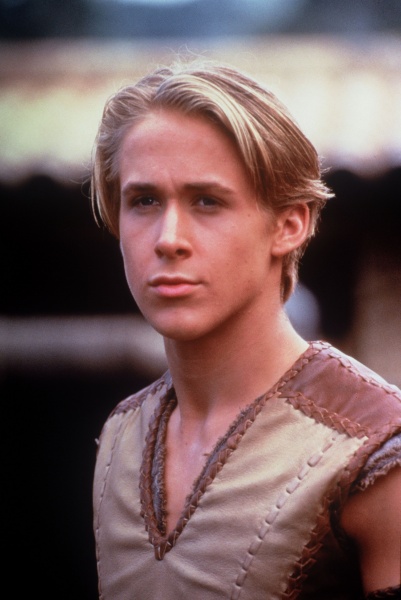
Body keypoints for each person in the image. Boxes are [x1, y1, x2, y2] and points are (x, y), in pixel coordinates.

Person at [91, 59, 401, 599]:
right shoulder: (120, 438)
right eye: (144, 201)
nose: (168, 238)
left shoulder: (375, 450)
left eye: (207, 201)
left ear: (289, 224)